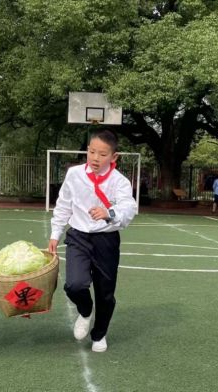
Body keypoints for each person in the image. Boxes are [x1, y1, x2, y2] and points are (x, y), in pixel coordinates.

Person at [48, 129, 137, 353]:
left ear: (114, 157)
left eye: (103, 154)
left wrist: (109, 213)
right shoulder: (74, 174)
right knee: (74, 285)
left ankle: (99, 335)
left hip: (106, 240)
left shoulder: (120, 182)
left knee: (105, 292)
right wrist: (55, 234)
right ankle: (85, 311)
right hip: (78, 236)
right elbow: (64, 204)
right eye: (92, 152)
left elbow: (128, 208)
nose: (96, 158)